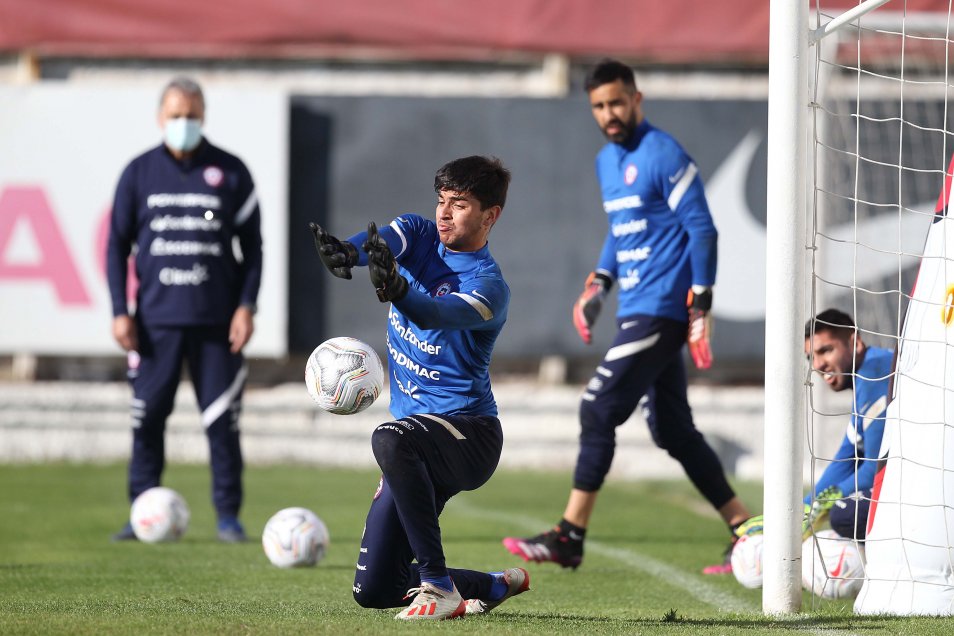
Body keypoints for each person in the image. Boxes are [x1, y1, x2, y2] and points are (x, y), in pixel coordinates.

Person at [501, 58, 752, 574]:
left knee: (596, 409)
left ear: (637, 99)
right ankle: (746, 530)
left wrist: (700, 303)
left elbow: (703, 230)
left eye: (617, 102)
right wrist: (599, 283)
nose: (609, 113)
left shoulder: (664, 153)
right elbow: (622, 230)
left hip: (662, 310)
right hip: (634, 307)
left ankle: (569, 534)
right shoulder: (605, 163)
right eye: (598, 105)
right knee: (674, 432)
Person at [309, 155, 530, 620]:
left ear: (491, 215)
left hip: (468, 435)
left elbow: (435, 315)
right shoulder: (422, 235)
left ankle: (437, 587)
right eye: (442, 201)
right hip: (416, 438)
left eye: (461, 204)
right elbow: (385, 240)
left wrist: (399, 292)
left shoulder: (489, 287)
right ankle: (490, 584)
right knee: (374, 589)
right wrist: (348, 253)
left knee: (386, 437)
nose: (445, 214)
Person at [106, 77, 262, 543]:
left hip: (217, 324)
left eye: (192, 115)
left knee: (222, 424)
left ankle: (228, 516)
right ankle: (141, 512)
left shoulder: (231, 171)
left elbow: (253, 249)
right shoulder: (138, 173)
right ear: (160, 118)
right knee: (147, 420)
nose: (183, 124)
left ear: (204, 117)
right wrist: (120, 310)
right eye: (175, 115)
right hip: (154, 324)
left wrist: (246, 306)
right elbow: (116, 246)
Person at [738, 309, 892, 541]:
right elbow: (846, 457)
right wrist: (803, 510)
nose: (818, 365)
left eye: (826, 351)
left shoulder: (875, 375)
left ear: (855, 343)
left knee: (846, 513)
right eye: (811, 357)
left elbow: (876, 469)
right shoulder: (868, 373)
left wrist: (829, 499)